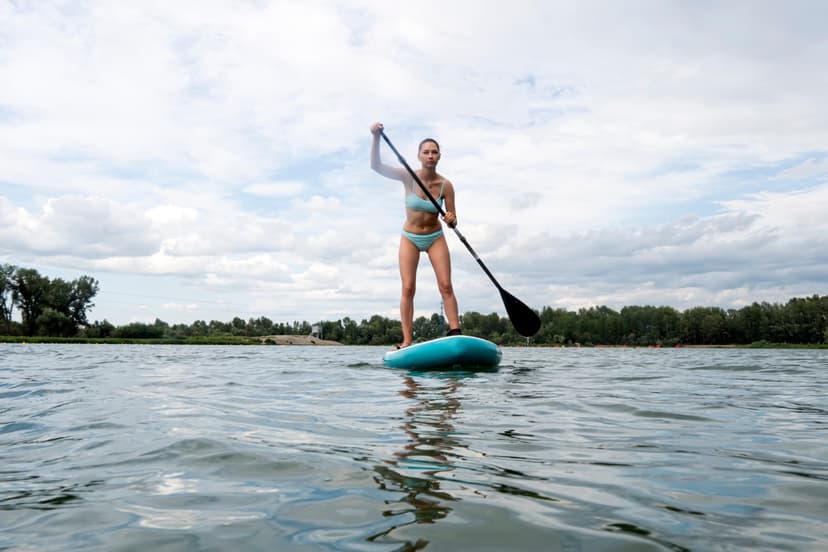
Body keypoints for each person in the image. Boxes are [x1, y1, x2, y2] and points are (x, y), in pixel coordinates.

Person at [370, 122, 461, 348]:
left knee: (446, 285)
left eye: (434, 152)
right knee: (408, 287)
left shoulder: (445, 185)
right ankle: (407, 340)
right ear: (419, 156)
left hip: (435, 237)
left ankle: (455, 332)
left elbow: (452, 219)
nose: (430, 156)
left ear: (439, 156)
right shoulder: (408, 176)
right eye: (426, 152)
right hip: (410, 237)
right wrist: (376, 137)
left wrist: (451, 219)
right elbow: (376, 166)